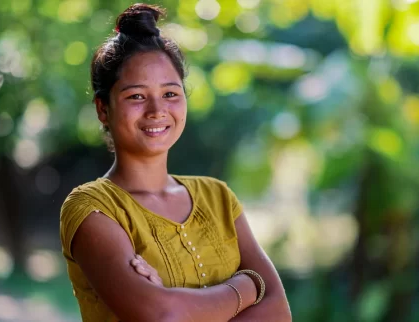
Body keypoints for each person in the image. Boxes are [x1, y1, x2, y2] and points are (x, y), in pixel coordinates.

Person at [59, 3, 291, 321]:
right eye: (136, 96)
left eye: (170, 93)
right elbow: (162, 315)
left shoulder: (218, 198)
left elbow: (278, 312)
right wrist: (248, 286)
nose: (157, 110)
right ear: (103, 109)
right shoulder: (92, 209)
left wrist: (176, 304)